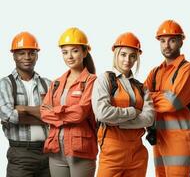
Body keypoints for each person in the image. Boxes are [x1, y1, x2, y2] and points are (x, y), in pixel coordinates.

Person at [92, 32, 155, 177]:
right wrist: (133, 112)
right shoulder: (105, 80)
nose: (128, 60)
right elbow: (102, 113)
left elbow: (149, 118)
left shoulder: (141, 87)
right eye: (123, 54)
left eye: (132, 56)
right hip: (112, 151)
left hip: (138, 154)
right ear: (116, 54)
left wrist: (118, 122)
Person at [40, 27, 98, 177]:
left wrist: (56, 111)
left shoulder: (92, 81)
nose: (69, 56)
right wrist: (66, 113)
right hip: (56, 150)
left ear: (85, 52)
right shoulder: (56, 83)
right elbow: (44, 113)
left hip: (81, 150)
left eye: (75, 51)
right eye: (65, 52)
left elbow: (80, 113)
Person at [144, 20, 190, 177]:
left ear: (181, 41)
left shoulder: (187, 69)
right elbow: (140, 98)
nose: (166, 45)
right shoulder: (155, 72)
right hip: (158, 141)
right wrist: (160, 96)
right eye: (162, 41)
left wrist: (151, 96)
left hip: (178, 144)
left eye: (172, 40)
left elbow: (172, 102)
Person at [0, 32, 51, 177]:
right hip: (20, 154)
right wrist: (44, 116)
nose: (27, 57)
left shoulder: (48, 84)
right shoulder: (5, 84)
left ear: (37, 55)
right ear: (14, 56)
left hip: (48, 153)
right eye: (22, 53)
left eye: (31, 53)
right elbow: (9, 116)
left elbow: (56, 116)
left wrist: (23, 109)